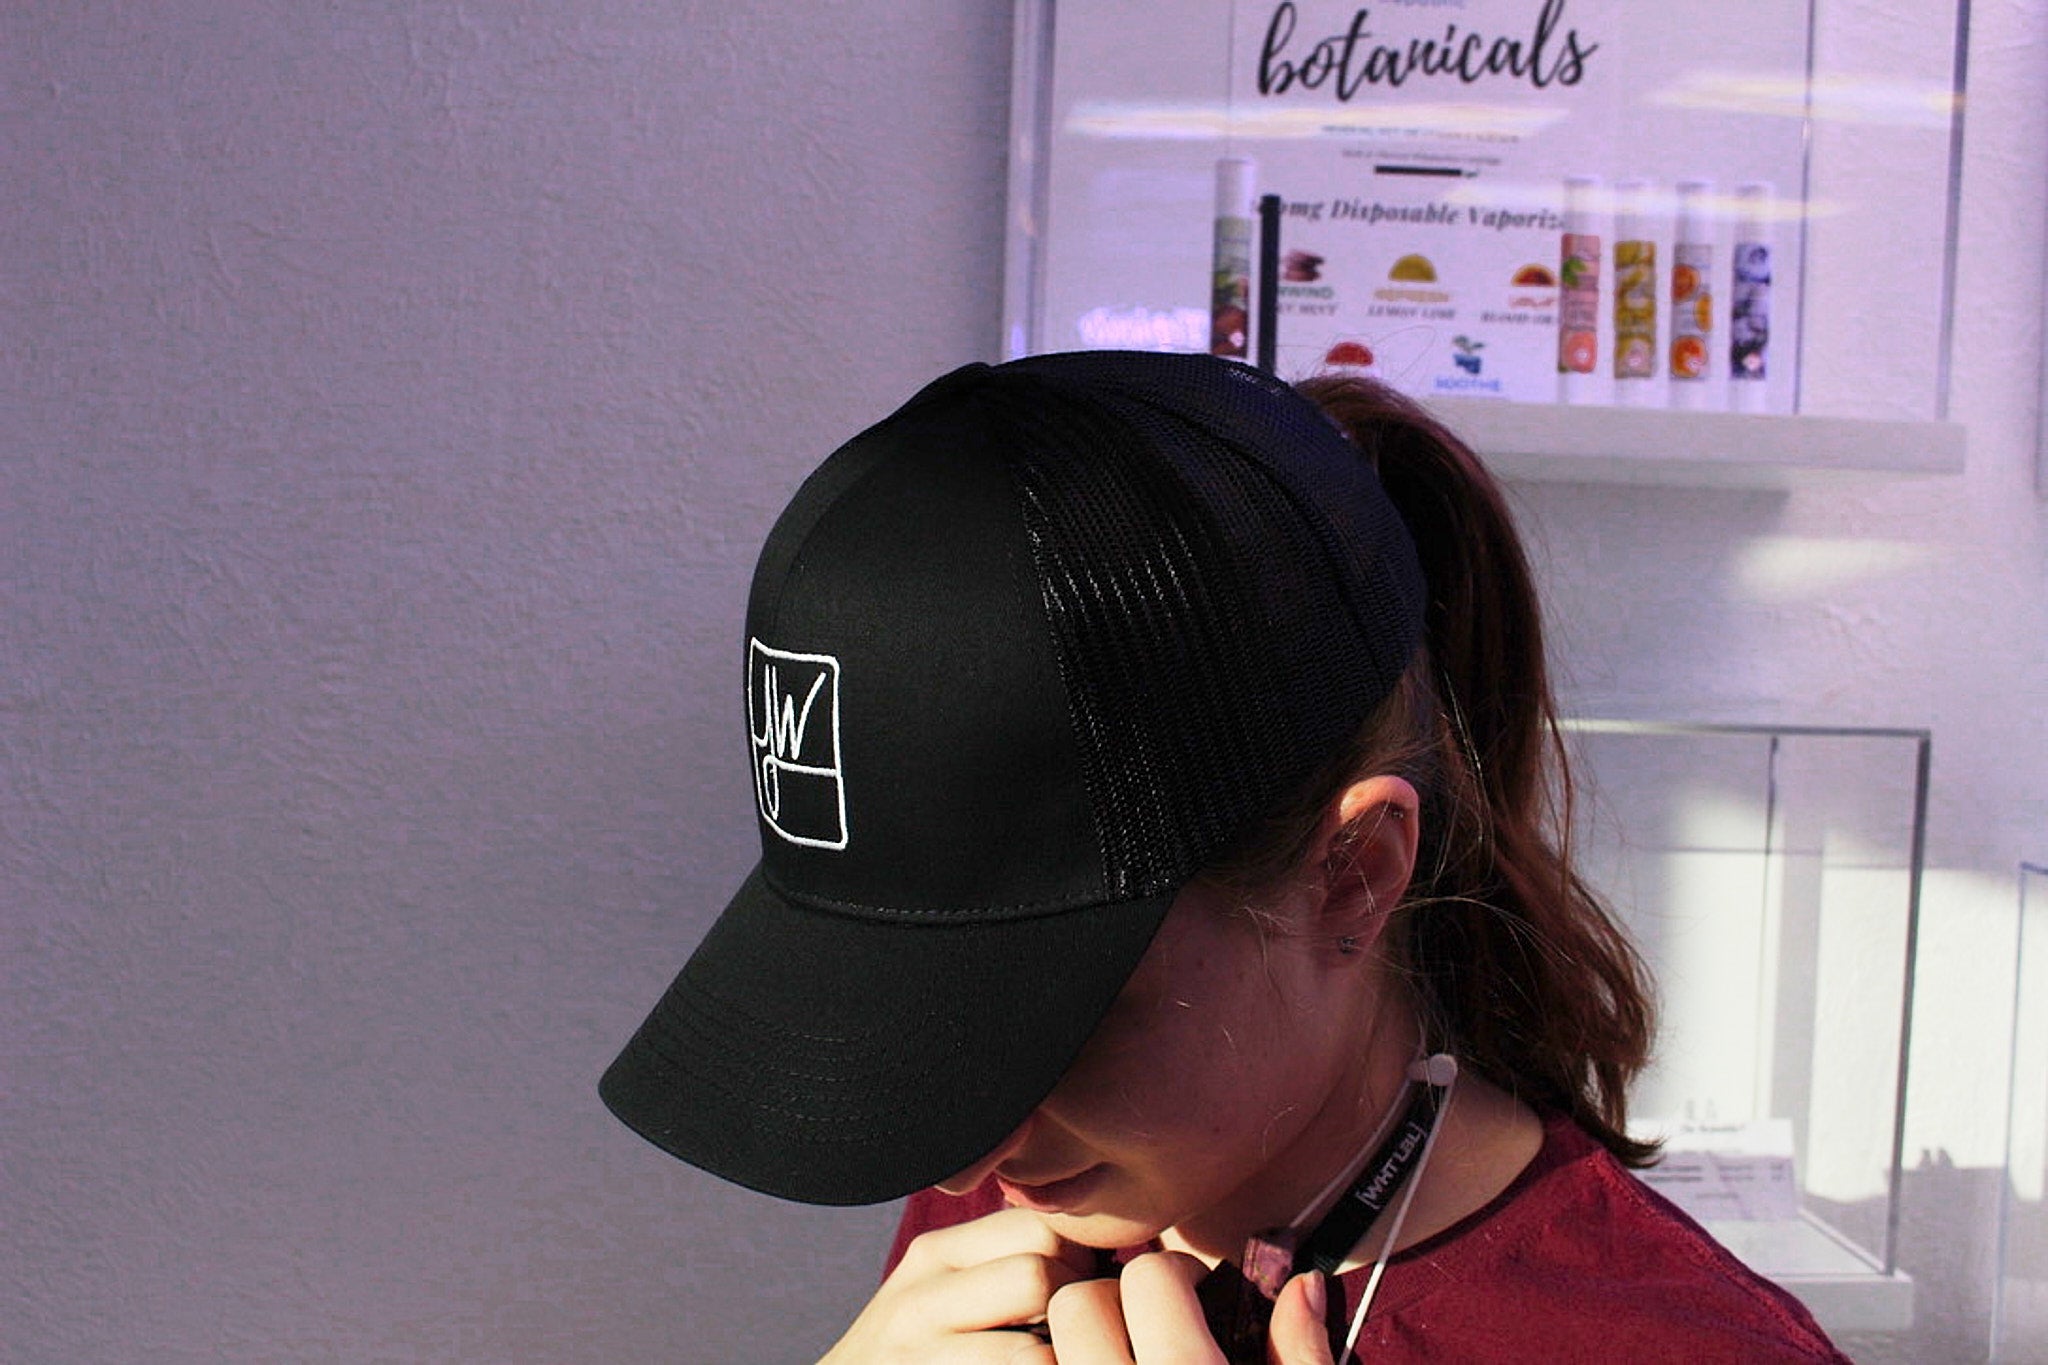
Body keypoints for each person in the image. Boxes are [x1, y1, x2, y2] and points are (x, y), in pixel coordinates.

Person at [600, 351, 1851, 1363]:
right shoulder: (1026, 1198)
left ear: (1353, 873)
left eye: (1045, 1017)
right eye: (919, 1018)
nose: (962, 1154)